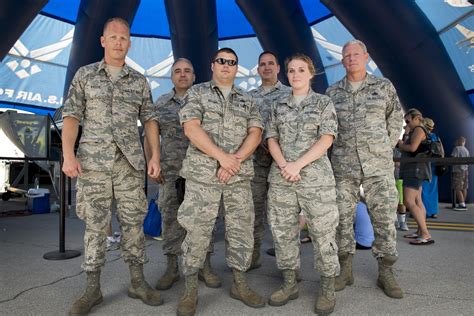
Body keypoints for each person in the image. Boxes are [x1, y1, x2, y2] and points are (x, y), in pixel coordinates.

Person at [62, 18, 163, 314]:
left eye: (124, 37)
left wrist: (154, 156)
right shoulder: (85, 75)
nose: (119, 42)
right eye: (114, 37)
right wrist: (69, 154)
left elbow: (150, 121)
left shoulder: (139, 80)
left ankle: (137, 281)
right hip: (93, 163)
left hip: (129, 163)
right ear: (103, 41)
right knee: (95, 226)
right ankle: (92, 290)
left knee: (133, 224)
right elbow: (71, 117)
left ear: (130, 43)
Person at [176, 48, 265, 315]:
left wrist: (234, 160)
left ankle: (240, 284)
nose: (227, 66)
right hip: (203, 176)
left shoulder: (248, 100)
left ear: (237, 68)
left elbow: (256, 132)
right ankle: (190, 290)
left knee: (240, 231)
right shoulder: (197, 93)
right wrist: (222, 158)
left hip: (237, 177)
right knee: (197, 231)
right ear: (213, 65)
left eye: (232, 62)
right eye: (222, 61)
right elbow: (191, 128)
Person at [326, 39, 404, 299]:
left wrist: (384, 146)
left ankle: (386, 271)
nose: (351, 59)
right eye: (346, 55)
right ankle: (345, 269)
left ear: (366, 56)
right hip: (343, 166)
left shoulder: (383, 87)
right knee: (341, 219)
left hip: (378, 167)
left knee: (384, 219)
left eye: (356, 54)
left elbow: (396, 118)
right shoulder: (332, 92)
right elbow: (327, 128)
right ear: (342, 60)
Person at [266, 54, 339, 314]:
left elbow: (327, 138)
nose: (295, 74)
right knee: (283, 232)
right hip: (282, 177)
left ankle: (328, 288)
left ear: (311, 73)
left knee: (323, 233)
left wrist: (297, 165)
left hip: (315, 179)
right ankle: (289, 283)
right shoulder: (278, 105)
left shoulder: (323, 103)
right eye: (291, 70)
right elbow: (271, 138)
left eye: (301, 70)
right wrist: (285, 164)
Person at [144, 58, 221, 291]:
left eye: (187, 70)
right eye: (178, 71)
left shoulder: (206, 99)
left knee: (204, 220)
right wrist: (151, 162)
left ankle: (204, 266)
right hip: (170, 171)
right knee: (170, 218)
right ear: (172, 76)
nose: (183, 74)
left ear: (195, 75)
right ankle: (172, 267)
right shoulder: (161, 103)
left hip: (201, 173)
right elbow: (150, 136)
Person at [249, 51, 291, 269]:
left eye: (270, 64)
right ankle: (253, 253)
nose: (266, 67)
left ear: (278, 68)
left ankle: (286, 260)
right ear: (258, 69)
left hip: (281, 163)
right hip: (255, 163)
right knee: (254, 210)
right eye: (262, 64)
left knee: (282, 212)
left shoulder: (290, 94)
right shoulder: (249, 97)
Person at [398, 109, 434, 245]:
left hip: (415, 169)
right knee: (418, 201)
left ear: (417, 118)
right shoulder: (414, 130)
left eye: (408, 121)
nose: (406, 124)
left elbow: (412, 148)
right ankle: (420, 231)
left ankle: (425, 233)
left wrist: (401, 145)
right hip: (414, 168)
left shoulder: (419, 129)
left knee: (408, 200)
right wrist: (406, 134)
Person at [421, 118, 440, 218]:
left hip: (424, 164)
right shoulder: (436, 137)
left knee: (423, 188)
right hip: (434, 165)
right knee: (433, 188)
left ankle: (424, 211)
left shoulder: (424, 136)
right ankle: (434, 211)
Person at [394, 125, 409, 231]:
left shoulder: (403, 150)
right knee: (393, 201)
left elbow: (399, 163)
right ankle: (396, 220)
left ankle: (402, 221)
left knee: (401, 201)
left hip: (399, 179)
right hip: (392, 178)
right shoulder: (392, 148)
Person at [451, 136, 470, 211]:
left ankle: (462, 204)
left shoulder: (457, 149)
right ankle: (462, 203)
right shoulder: (466, 150)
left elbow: (452, 158)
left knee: (457, 187)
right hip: (465, 171)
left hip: (457, 171)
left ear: (459, 141)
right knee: (464, 187)